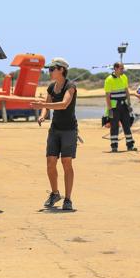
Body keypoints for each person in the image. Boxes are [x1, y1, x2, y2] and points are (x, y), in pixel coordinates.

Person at [31, 58, 78, 211]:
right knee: (50, 161)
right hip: (55, 129)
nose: (49, 72)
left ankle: (68, 199)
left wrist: (42, 105)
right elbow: (48, 104)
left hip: (69, 130)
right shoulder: (51, 87)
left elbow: (64, 105)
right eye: (49, 69)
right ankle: (55, 193)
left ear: (61, 70)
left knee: (66, 162)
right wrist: (43, 115)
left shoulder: (70, 87)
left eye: (52, 69)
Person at [104, 62, 140, 152]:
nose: (123, 70)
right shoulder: (109, 79)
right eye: (121, 68)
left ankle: (130, 146)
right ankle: (114, 146)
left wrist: (129, 104)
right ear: (115, 68)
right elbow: (107, 96)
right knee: (114, 126)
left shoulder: (124, 77)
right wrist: (109, 109)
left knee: (127, 125)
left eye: (123, 68)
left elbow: (126, 91)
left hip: (124, 106)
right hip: (114, 107)